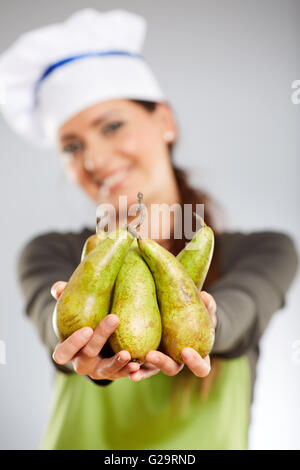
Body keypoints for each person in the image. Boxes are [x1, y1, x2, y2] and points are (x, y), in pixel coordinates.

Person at [0, 9, 298, 450]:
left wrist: (202, 321)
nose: (94, 160)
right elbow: (56, 327)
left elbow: (240, 316)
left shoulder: (263, 251)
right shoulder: (51, 252)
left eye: (112, 126)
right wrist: (81, 349)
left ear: (164, 121)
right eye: (72, 146)